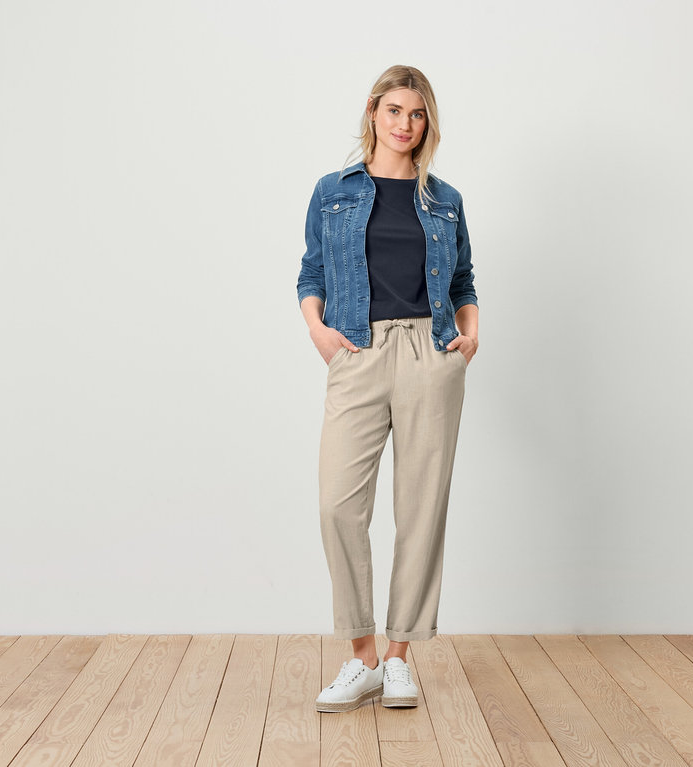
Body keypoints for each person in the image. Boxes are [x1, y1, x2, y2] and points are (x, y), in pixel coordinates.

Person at [296, 64, 479, 713]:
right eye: (395, 109)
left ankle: (400, 657)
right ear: (373, 111)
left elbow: (462, 282)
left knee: (421, 507)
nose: (405, 123)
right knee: (337, 505)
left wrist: (470, 335)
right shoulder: (333, 189)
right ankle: (362, 656)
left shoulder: (444, 199)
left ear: (427, 123)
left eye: (418, 113)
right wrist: (318, 329)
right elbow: (311, 268)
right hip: (358, 349)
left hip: (430, 354)